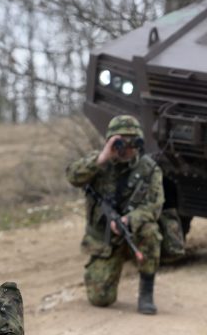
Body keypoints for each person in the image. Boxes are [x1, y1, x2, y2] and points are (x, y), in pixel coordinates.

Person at [66, 114, 164, 314]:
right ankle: (112, 264)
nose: (126, 148)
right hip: (104, 240)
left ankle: (146, 292)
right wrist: (101, 158)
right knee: (100, 298)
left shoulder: (148, 169)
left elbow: (154, 206)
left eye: (131, 142)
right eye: (120, 142)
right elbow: (72, 176)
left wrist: (130, 220)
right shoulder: (98, 162)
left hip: (134, 231)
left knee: (150, 231)